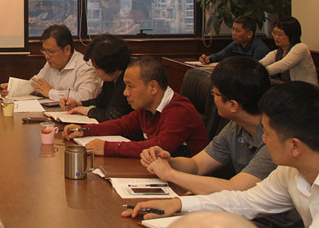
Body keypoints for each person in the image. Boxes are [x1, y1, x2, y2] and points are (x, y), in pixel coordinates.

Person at [123, 81, 319, 228]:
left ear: (295, 146)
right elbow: (244, 201)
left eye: (267, 133)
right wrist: (178, 203)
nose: (263, 139)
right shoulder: (290, 171)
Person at [140, 56, 275, 194]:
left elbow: (235, 188)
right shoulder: (235, 127)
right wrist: (169, 161)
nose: (212, 97)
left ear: (233, 105)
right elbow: (197, 165)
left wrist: (170, 174)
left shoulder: (275, 137)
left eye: (215, 93)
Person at [63, 56, 208, 157]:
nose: (125, 93)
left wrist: (107, 147)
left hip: (186, 184)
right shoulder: (147, 108)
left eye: (130, 86)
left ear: (153, 87)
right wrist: (84, 130)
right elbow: (122, 125)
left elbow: (159, 147)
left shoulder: (179, 110)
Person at [0, 24, 100, 102]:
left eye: (51, 52)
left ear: (67, 50)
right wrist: (14, 89)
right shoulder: (52, 63)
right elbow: (35, 84)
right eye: (45, 51)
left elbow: (86, 97)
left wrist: (50, 92)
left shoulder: (85, 67)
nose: (47, 56)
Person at [60, 34, 132, 121]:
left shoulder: (127, 81)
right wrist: (78, 104)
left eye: (96, 67)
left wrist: (89, 111)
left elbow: (113, 116)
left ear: (108, 66)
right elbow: (101, 101)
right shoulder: (111, 78)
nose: (94, 70)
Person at [259, 17, 318, 85]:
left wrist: (260, 72)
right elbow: (261, 63)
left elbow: (283, 65)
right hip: (290, 87)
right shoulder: (277, 52)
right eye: (274, 33)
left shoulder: (301, 48)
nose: (276, 37)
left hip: (306, 89)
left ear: (292, 35)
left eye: (280, 34)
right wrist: (254, 69)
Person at [199, 16, 269, 64]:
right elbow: (219, 56)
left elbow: (255, 71)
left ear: (249, 34)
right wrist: (209, 59)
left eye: (237, 31)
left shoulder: (260, 49)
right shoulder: (236, 44)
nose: (233, 33)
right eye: (233, 29)